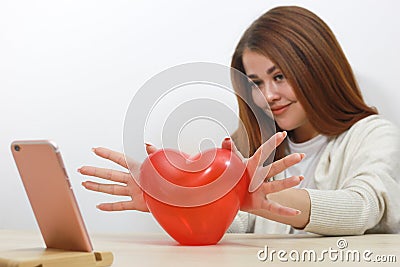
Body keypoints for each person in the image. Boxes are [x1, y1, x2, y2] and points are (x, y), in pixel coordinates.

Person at [79, 6, 400, 235]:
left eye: (280, 76)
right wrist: (171, 201)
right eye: (256, 82)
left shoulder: (372, 135)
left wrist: (247, 194)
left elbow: (363, 208)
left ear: (318, 68)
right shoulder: (258, 144)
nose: (269, 94)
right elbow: (238, 222)